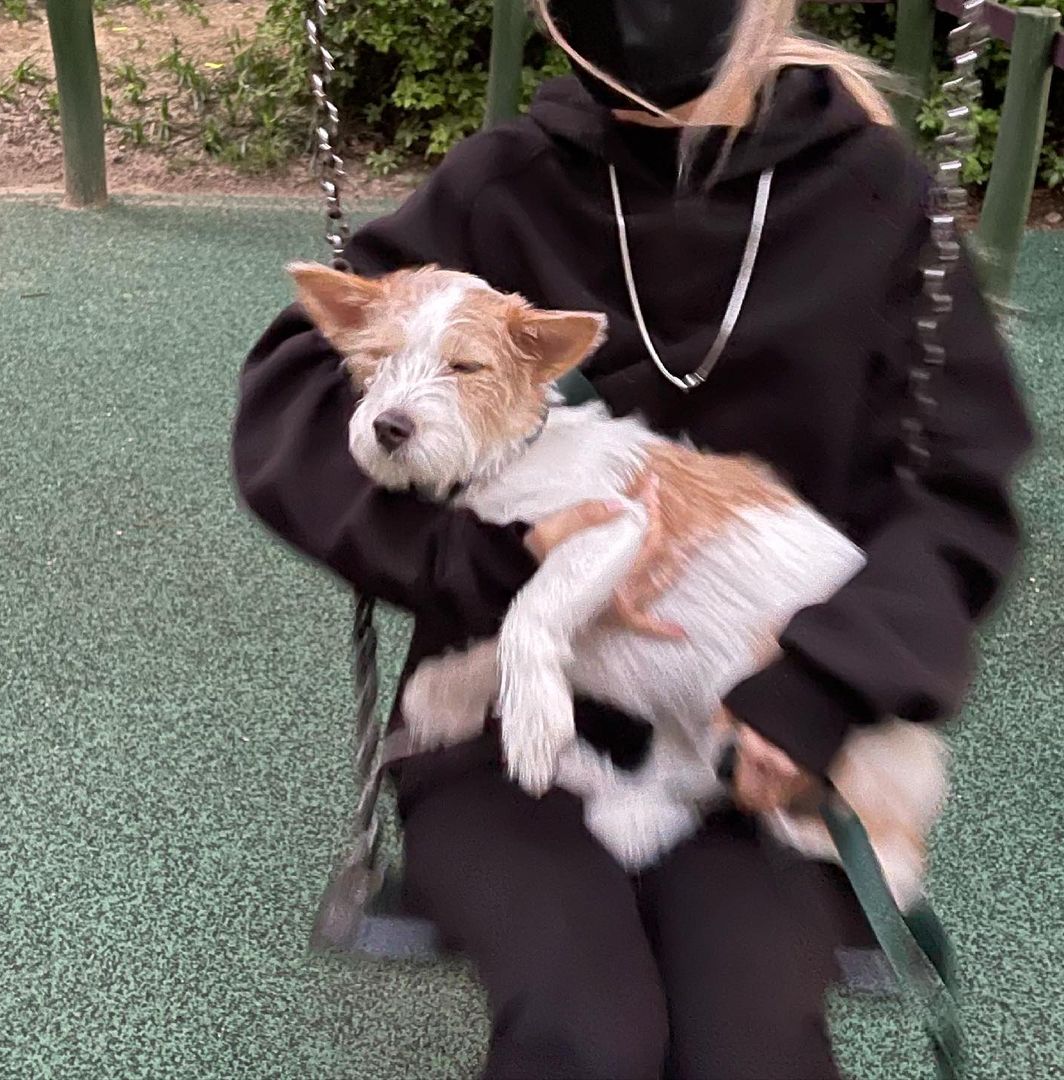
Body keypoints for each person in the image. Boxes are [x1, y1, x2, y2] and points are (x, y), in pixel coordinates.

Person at [231, 1, 1032, 1076]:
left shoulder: (879, 201)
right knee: (583, 1034)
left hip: (763, 714)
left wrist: (825, 683)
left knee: (749, 1045)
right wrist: (496, 562)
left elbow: (953, 489)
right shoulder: (502, 186)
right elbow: (296, 395)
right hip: (505, 709)